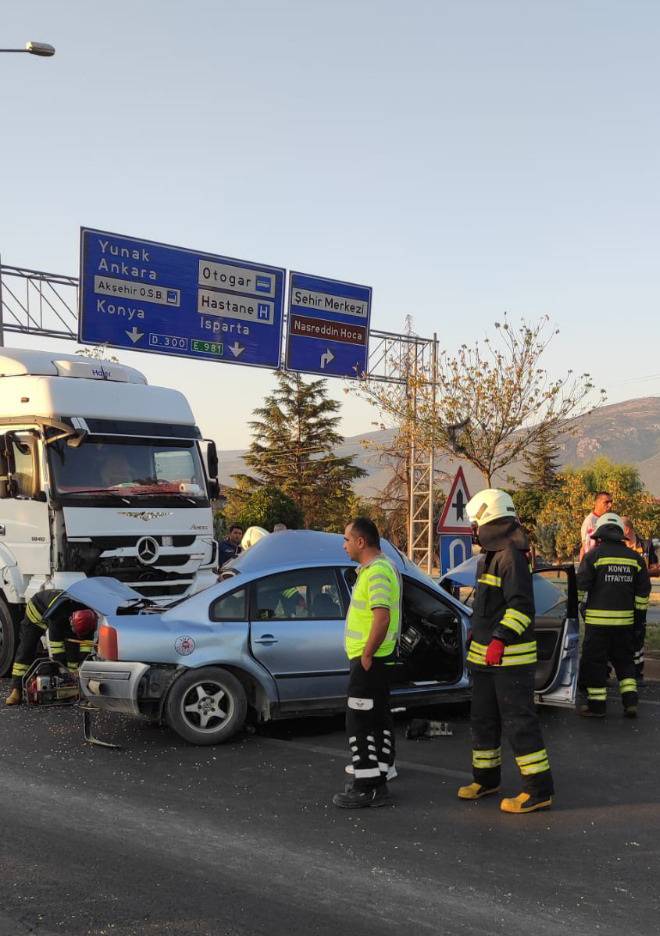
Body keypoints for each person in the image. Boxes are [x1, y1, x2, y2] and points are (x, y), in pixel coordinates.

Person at [459, 489, 554, 814]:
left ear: (489, 519)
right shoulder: (490, 556)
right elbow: (489, 605)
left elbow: (522, 608)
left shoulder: (511, 556)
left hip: (510, 660)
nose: (473, 529)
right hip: (485, 659)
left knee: (519, 723)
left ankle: (538, 791)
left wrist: (499, 639)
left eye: (475, 522)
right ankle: (486, 779)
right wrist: (478, 630)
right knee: (483, 721)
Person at [332, 517, 401, 809]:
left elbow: (381, 616)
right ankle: (380, 775)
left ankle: (368, 787)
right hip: (375, 659)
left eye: (347, 539)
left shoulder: (376, 573)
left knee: (358, 721)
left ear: (361, 542)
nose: (344, 545)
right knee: (379, 717)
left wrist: (368, 654)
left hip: (369, 661)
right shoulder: (379, 568)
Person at [577, 513, 651, 718]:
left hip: (597, 624)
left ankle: (597, 706)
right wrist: (638, 619)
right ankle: (630, 703)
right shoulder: (635, 559)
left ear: (600, 535)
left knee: (595, 663)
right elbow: (643, 592)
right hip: (625, 623)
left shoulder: (593, 557)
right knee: (625, 662)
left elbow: (581, 588)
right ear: (620, 535)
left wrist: (581, 607)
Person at [5, 590, 95, 705]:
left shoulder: (90, 619)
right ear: (71, 620)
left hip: (64, 617)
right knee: (26, 649)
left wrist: (78, 670)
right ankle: (15, 690)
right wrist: (65, 672)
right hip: (36, 612)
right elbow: (57, 652)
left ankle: (74, 688)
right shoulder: (57, 616)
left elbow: (85, 648)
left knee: (72, 647)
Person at [621, 517, 657, 679]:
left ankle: (637, 672)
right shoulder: (618, 547)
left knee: (638, 633)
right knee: (620, 633)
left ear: (627, 530)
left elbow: (655, 568)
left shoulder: (646, 545)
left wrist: (641, 572)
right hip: (622, 596)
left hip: (640, 596)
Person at [579, 492, 613, 561]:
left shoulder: (608, 519)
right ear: (597, 503)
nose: (610, 505)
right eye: (606, 502)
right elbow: (585, 548)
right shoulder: (590, 521)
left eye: (611, 502)